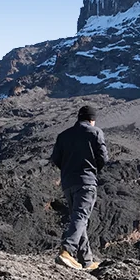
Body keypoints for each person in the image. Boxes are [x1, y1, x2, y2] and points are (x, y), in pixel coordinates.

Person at [50, 105, 108, 270]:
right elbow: (103, 157)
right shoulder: (95, 132)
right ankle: (67, 251)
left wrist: (69, 171)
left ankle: (87, 261)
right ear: (92, 119)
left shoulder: (63, 136)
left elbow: (55, 159)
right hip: (86, 181)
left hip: (68, 183)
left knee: (78, 218)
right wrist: (91, 170)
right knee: (81, 217)